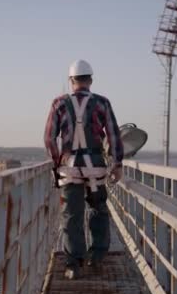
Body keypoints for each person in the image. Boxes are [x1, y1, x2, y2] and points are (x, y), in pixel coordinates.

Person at [44, 59, 124, 280]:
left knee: (72, 215)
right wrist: (117, 164)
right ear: (90, 80)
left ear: (71, 81)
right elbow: (114, 135)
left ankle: (74, 264)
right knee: (99, 210)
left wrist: (56, 162)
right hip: (96, 169)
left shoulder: (58, 104)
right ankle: (96, 256)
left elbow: (49, 138)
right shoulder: (102, 103)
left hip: (70, 170)